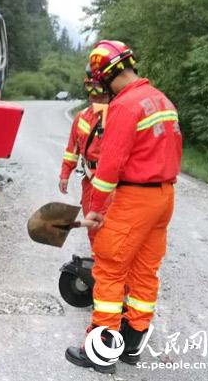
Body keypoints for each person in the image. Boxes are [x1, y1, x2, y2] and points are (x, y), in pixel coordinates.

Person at [65, 40, 182, 373]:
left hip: (134, 199)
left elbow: (109, 167)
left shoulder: (125, 105)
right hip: (163, 196)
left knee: (110, 268)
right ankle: (132, 341)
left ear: (103, 76)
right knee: (144, 270)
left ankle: (100, 351)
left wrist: (96, 209)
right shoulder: (162, 100)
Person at [59, 65, 110, 245]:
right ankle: (99, 265)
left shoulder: (118, 115)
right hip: (89, 181)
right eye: (90, 89)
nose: (93, 95)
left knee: (106, 230)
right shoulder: (81, 117)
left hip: (111, 184)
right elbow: (72, 149)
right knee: (92, 228)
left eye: (99, 90)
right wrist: (65, 174)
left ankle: (106, 268)